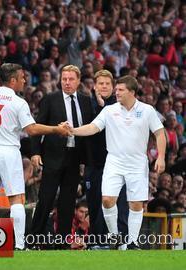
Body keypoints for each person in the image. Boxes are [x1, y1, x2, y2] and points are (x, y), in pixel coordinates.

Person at [0, 63, 70, 250]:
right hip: (9, 152)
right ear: (12, 80)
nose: (24, 80)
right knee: (16, 199)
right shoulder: (18, 102)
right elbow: (31, 129)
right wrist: (56, 129)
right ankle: (20, 245)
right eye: (22, 77)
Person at [71, 75, 166, 249]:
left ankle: (133, 241)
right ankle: (114, 237)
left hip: (137, 162)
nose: (117, 92)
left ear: (132, 92)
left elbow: (160, 133)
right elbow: (93, 127)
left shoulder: (147, 110)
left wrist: (161, 157)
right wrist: (73, 131)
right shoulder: (109, 110)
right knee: (107, 200)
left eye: (120, 90)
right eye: (117, 90)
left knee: (135, 203)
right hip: (114, 161)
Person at [30, 64, 93, 249]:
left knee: (67, 202)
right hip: (52, 157)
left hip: (74, 159)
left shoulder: (86, 101)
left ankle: (63, 244)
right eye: (64, 79)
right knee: (46, 200)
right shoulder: (50, 99)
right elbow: (37, 127)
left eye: (71, 79)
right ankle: (34, 240)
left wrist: (86, 159)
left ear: (78, 81)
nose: (67, 82)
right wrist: (35, 152)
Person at [85, 70, 128, 248]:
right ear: (94, 86)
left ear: (113, 87)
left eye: (107, 84)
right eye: (100, 83)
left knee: (118, 205)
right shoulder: (87, 105)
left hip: (116, 164)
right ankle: (97, 242)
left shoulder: (121, 106)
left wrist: (103, 106)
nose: (103, 86)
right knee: (95, 204)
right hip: (93, 164)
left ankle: (122, 242)